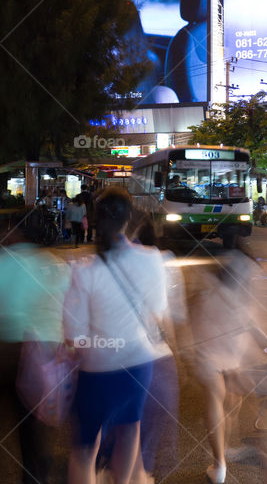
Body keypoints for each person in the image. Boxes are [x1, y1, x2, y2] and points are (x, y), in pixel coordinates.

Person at [62, 187, 170, 484]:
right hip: (138, 364)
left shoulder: (85, 270)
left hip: (97, 369)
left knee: (86, 448)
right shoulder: (151, 259)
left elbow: (74, 333)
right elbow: (157, 309)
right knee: (129, 433)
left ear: (95, 221)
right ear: (128, 219)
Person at [188, 251, 267, 484]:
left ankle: (220, 461)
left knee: (222, 401)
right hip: (229, 361)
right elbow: (259, 337)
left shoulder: (206, 293)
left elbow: (191, 323)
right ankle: (224, 456)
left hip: (209, 359)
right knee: (230, 401)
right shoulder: (241, 302)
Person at [0, 211, 71, 484]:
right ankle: (33, 477)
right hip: (40, 358)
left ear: (15, 231)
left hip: (5, 351)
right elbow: (66, 313)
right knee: (32, 430)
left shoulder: (4, 261)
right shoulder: (54, 264)